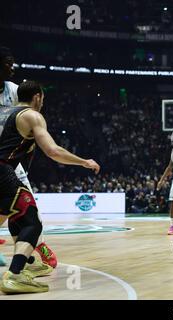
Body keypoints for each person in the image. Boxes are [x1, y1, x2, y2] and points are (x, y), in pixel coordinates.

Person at [0, 80, 100, 294]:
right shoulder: (32, 116)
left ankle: (28, 263)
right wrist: (84, 161)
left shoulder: (6, 112)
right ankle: (15, 274)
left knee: (16, 215)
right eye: (42, 98)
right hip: (2, 170)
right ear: (37, 97)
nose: (43, 102)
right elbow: (53, 151)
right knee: (32, 221)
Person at [0, 46, 58, 268]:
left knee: (25, 208)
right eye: (8, 63)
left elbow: (29, 116)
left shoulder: (14, 91)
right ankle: (21, 266)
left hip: (10, 159)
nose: (12, 68)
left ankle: (31, 254)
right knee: (22, 210)